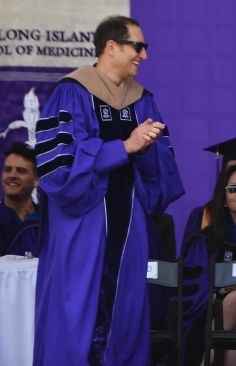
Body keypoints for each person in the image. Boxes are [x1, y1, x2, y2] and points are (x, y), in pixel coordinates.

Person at [32, 15, 184, 366]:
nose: (144, 56)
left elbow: (160, 174)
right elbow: (59, 169)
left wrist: (146, 148)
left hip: (128, 226)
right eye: (138, 47)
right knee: (75, 310)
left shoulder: (143, 100)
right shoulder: (72, 91)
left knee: (127, 313)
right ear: (111, 47)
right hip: (81, 223)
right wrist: (123, 147)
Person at [180, 164, 236, 366]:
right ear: (224, 198)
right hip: (214, 312)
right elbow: (193, 289)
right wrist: (216, 294)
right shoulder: (205, 241)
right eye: (233, 188)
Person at [0, 142, 40, 256]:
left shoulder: (46, 221)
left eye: (21, 171)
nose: (12, 175)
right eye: (7, 170)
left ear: (36, 179)